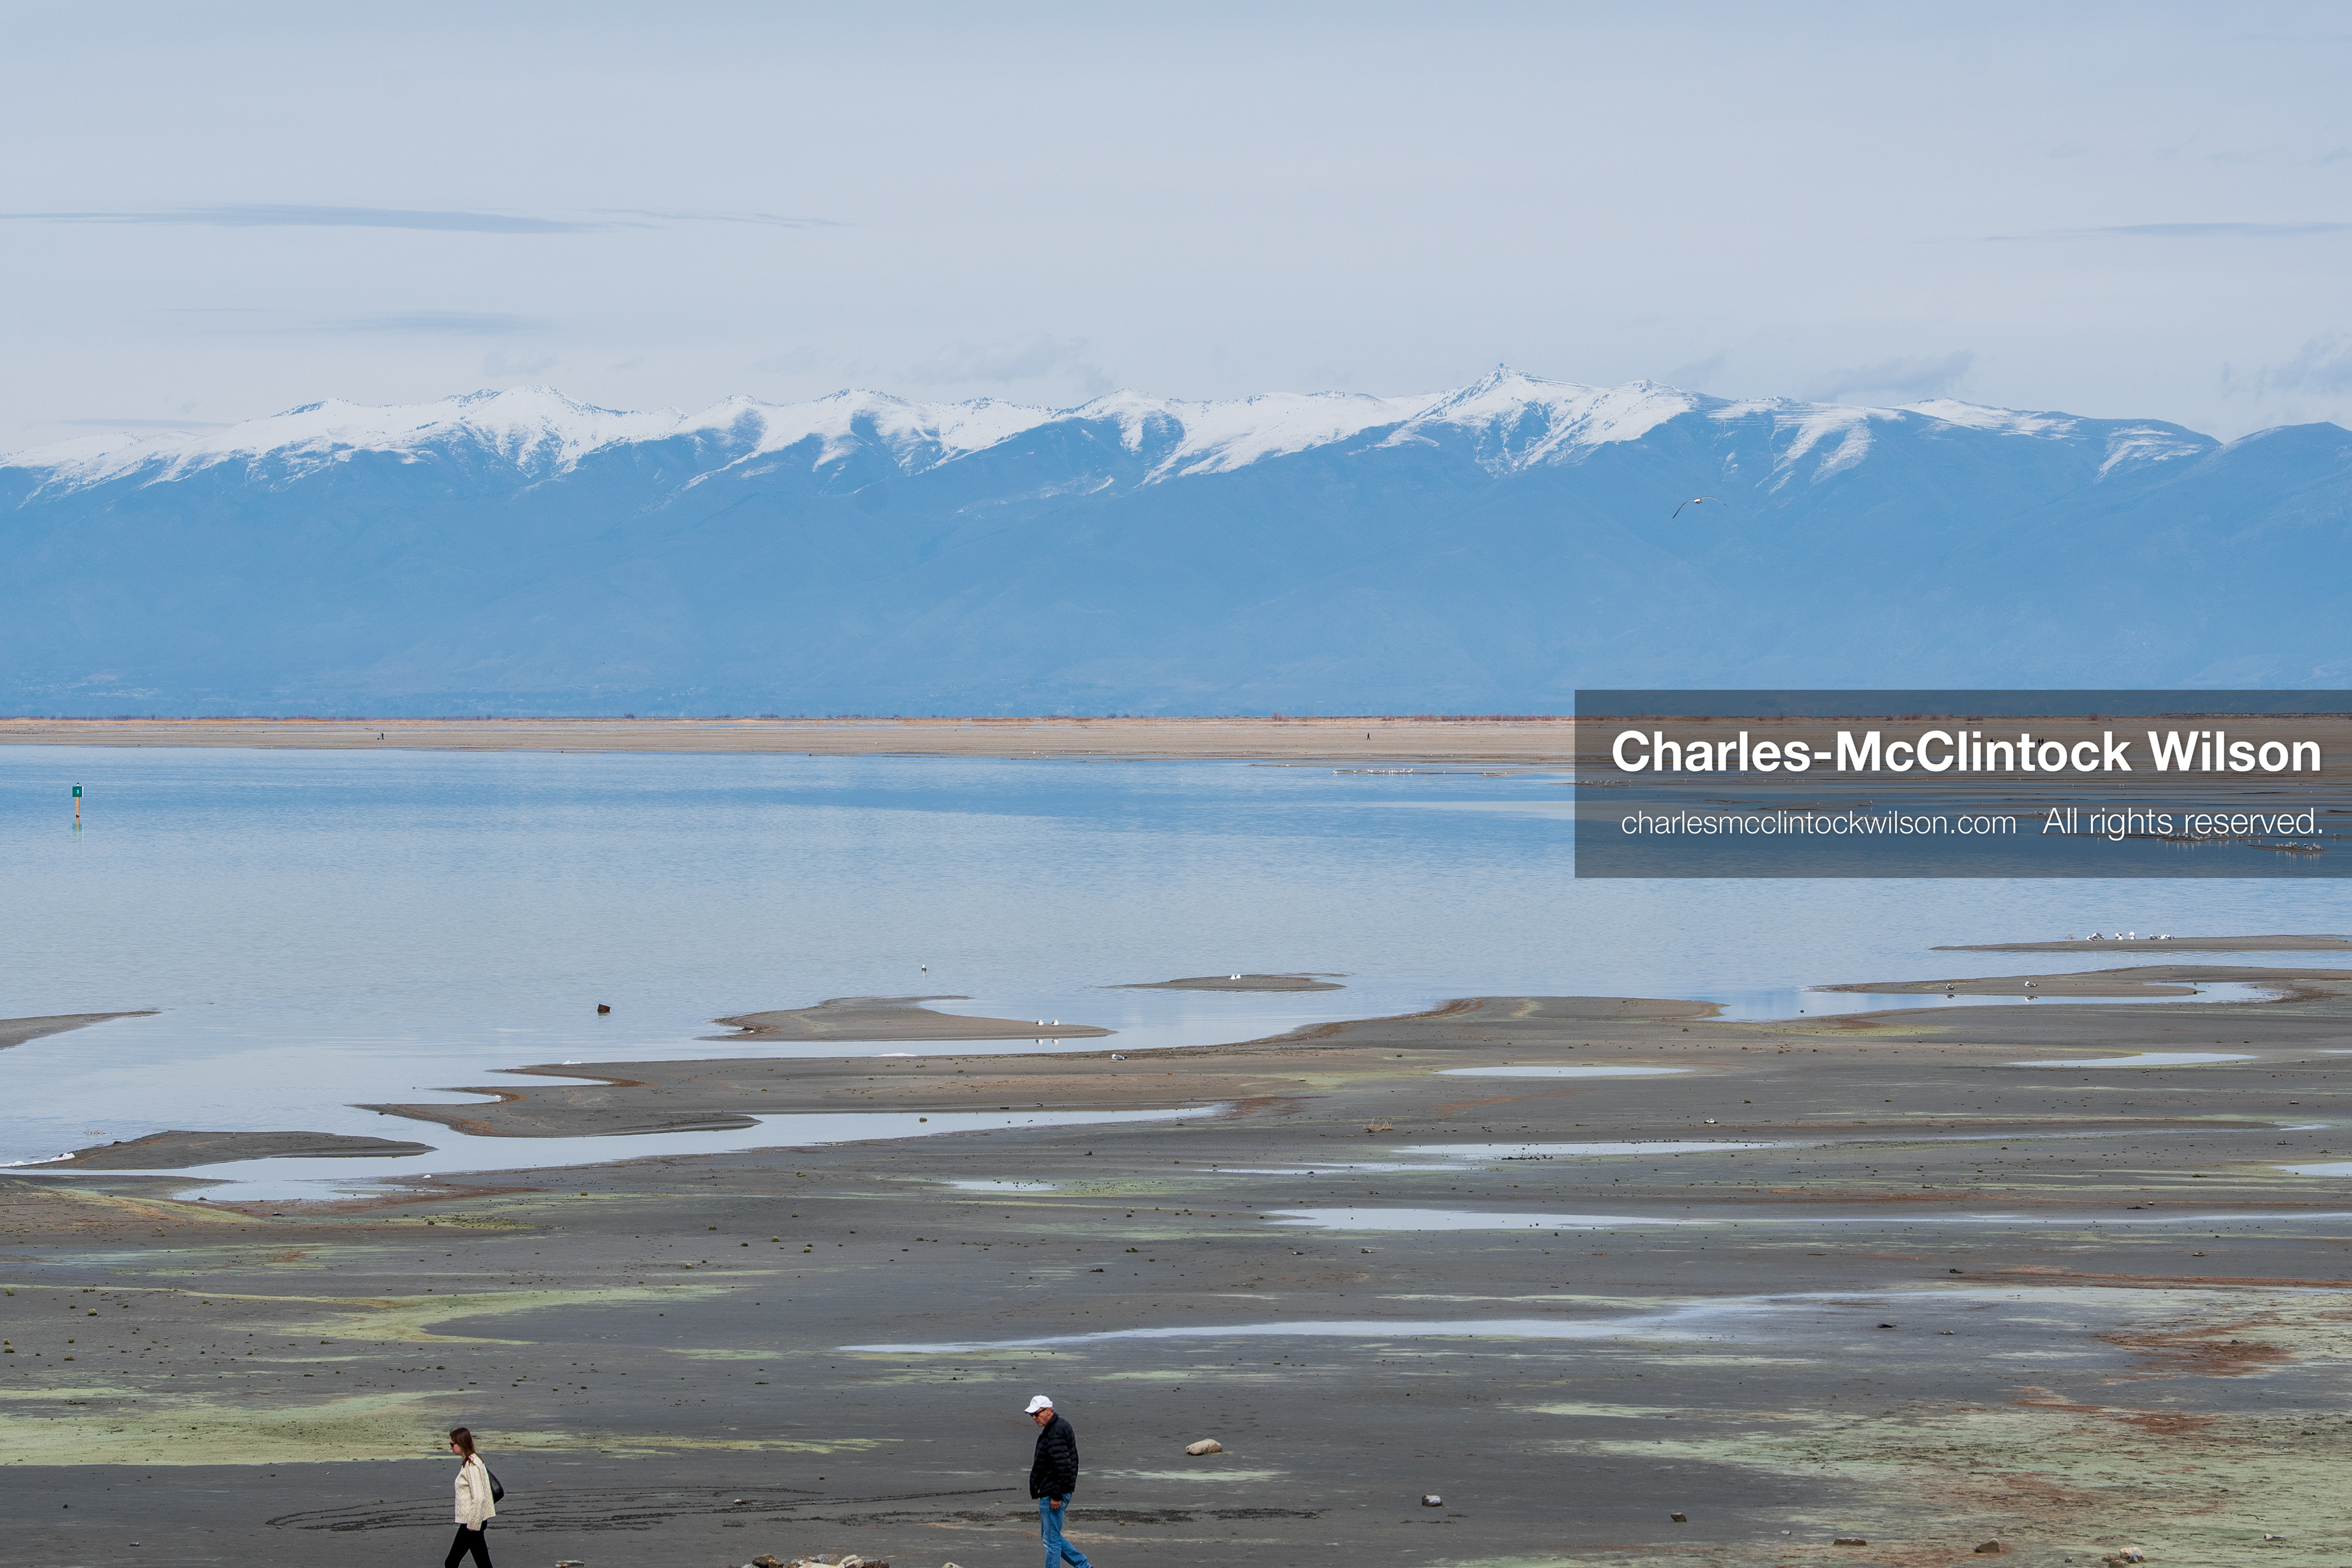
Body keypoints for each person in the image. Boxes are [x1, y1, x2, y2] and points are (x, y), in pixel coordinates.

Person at [1025, 1394, 1090, 1568]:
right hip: (1053, 1491)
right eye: (1032, 1415)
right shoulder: (1057, 1427)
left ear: (1048, 1411)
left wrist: (1056, 1495)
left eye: (1036, 1414)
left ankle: (1083, 1565)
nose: (1034, 1418)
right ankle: (1083, 1565)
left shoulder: (1056, 1431)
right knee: (1050, 1537)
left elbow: (1064, 1466)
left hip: (1053, 1493)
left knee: (1051, 1542)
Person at [446, 1427, 496, 1568]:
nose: (450, 1447)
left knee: (451, 1563)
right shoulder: (473, 1461)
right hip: (476, 1522)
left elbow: (479, 1497)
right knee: (484, 1564)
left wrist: (472, 1526)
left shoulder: (472, 1465)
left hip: (472, 1522)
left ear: (461, 1444)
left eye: (452, 1444)